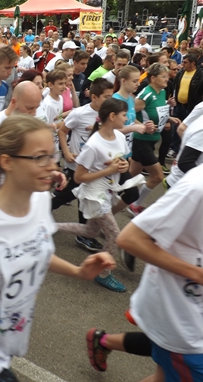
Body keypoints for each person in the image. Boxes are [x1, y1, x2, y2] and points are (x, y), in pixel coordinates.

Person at [0, 114, 114, 382]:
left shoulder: (39, 201)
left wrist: (78, 271)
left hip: (10, 334)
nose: (52, 166)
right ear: (7, 162)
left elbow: (35, 249)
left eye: (52, 156)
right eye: (39, 158)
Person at [116, 117, 203, 382]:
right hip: (177, 319)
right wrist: (200, 274)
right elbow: (130, 239)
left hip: (195, 312)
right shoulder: (200, 187)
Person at [56, 98, 145, 292]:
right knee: (114, 235)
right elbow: (79, 177)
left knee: (91, 231)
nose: (127, 119)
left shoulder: (119, 136)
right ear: (112, 116)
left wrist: (124, 166)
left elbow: (122, 161)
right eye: (124, 115)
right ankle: (103, 274)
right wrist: (109, 170)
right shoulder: (93, 145)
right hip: (94, 195)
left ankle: (49, 227)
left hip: (108, 190)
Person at [127, 63, 181, 216]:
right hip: (141, 139)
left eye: (167, 76)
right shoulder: (146, 94)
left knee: (133, 173)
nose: (167, 79)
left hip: (152, 139)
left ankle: (112, 192)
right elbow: (128, 114)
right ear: (153, 78)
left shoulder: (162, 92)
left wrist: (168, 117)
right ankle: (135, 204)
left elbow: (154, 111)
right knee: (158, 176)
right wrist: (142, 126)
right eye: (163, 76)